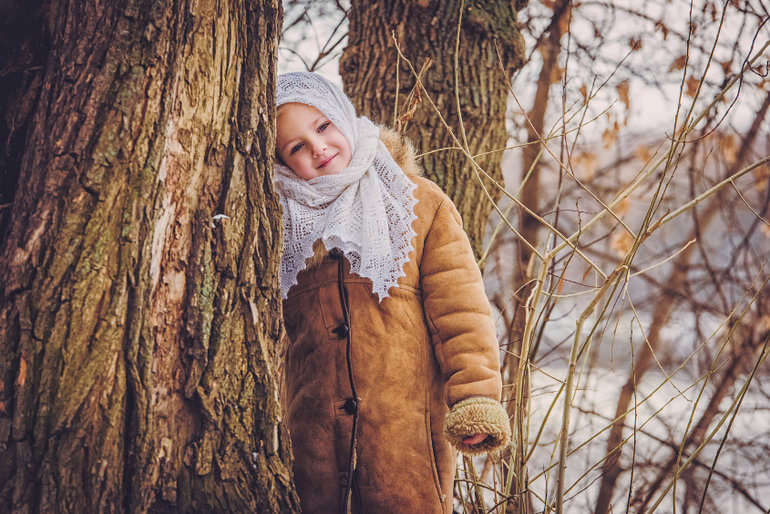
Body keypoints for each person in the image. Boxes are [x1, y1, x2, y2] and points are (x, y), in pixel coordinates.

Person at [273, 71, 511, 514]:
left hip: (406, 444)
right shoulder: (284, 233)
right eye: (296, 147)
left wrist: (475, 398)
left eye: (322, 127)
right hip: (313, 453)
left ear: (343, 117)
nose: (318, 148)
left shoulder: (418, 203)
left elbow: (461, 312)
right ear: (285, 165)